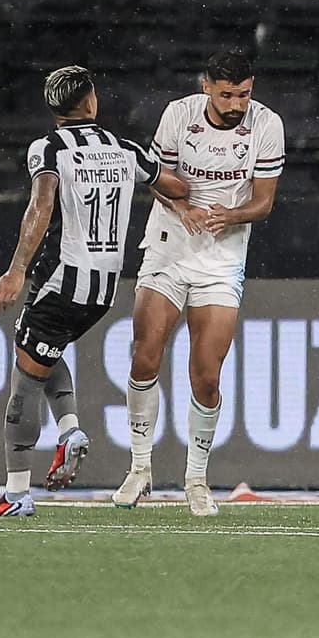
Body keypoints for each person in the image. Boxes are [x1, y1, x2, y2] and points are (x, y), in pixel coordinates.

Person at [0, 65, 189, 518]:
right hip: (104, 289)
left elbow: (41, 206)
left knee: (25, 381)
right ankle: (70, 428)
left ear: (54, 109)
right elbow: (174, 185)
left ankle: (17, 492)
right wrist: (200, 188)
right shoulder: (124, 148)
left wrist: (16, 271)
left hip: (61, 279)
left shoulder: (49, 148)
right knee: (43, 350)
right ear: (92, 101)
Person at [112, 50, 285, 516]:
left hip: (222, 256)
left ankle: (196, 479)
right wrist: (183, 207)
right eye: (227, 94)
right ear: (207, 86)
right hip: (170, 243)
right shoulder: (178, 114)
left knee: (206, 374)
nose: (236, 104)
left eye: (244, 94)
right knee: (145, 353)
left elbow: (264, 201)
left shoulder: (267, 125)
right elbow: (155, 177)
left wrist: (233, 215)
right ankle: (140, 468)